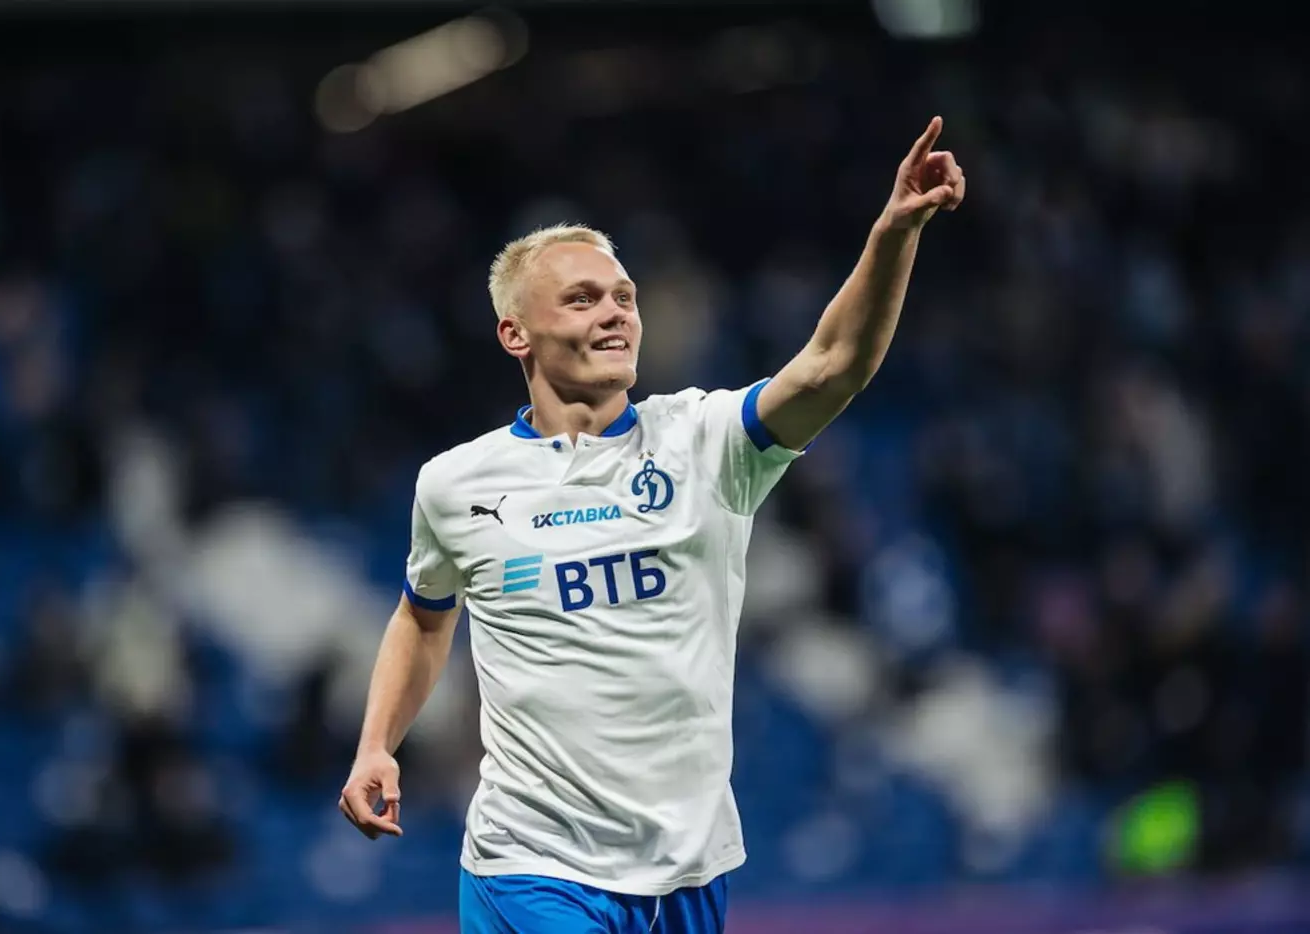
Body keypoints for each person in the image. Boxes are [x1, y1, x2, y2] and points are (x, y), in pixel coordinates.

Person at [339, 117, 965, 933]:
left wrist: (895, 233)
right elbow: (423, 618)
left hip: (687, 868)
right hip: (530, 864)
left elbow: (832, 364)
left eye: (624, 298)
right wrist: (377, 743)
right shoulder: (456, 484)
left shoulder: (705, 441)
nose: (615, 314)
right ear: (515, 333)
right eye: (583, 299)